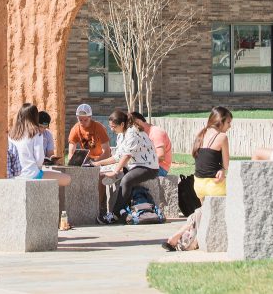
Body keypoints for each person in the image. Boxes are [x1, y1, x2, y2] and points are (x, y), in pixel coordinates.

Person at [161, 107, 231, 251]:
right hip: (214, 184)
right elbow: (226, 164)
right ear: (221, 121)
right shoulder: (222, 137)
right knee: (208, 212)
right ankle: (180, 233)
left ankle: (193, 240)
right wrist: (222, 170)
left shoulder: (201, 134)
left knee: (204, 212)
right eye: (228, 122)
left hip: (198, 183)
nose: (230, 126)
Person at [91, 109, 159, 224]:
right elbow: (117, 157)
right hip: (133, 166)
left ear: (122, 124)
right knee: (102, 173)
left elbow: (127, 155)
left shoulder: (132, 132)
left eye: (114, 127)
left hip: (148, 167)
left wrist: (115, 172)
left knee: (127, 180)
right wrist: (97, 163)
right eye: (110, 126)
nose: (112, 130)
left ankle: (115, 214)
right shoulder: (121, 135)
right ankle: (105, 209)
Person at [9, 102, 71, 186]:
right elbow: (39, 161)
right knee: (67, 179)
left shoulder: (11, 134)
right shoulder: (36, 133)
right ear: (35, 118)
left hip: (15, 175)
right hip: (31, 174)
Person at [132, 111, 173, 177]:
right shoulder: (141, 134)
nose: (130, 130)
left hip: (160, 168)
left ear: (138, 122)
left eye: (130, 127)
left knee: (131, 177)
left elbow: (161, 156)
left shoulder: (156, 132)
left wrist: (141, 163)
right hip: (148, 166)